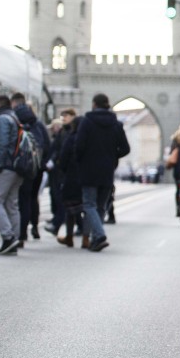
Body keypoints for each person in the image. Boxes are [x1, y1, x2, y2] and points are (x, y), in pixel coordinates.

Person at [74, 93, 131, 252]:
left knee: (89, 204)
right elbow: (125, 148)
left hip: (89, 170)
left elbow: (79, 146)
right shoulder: (116, 124)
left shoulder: (87, 122)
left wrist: (81, 160)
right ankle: (95, 239)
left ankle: (98, 235)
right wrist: (112, 156)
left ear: (94, 104)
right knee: (100, 206)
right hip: (107, 171)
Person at [11, 92, 51, 246]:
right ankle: (34, 227)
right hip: (36, 168)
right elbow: (46, 145)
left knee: (21, 199)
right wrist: (42, 164)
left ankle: (20, 234)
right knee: (32, 198)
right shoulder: (38, 123)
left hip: (21, 166)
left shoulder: (15, 119)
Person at [0, 95, 24, 255]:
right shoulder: (14, 117)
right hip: (16, 167)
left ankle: (8, 238)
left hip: (6, 167)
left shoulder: (2, 119)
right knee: (12, 205)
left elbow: (1, 144)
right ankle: (15, 240)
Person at [54, 115, 88, 248]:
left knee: (70, 210)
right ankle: (86, 237)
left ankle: (69, 237)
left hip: (71, 178)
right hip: (86, 178)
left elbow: (63, 159)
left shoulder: (71, 138)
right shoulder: (88, 140)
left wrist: (62, 171)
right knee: (87, 209)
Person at [44, 109, 76, 235]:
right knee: (67, 201)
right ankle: (70, 230)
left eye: (66, 117)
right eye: (62, 117)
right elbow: (56, 149)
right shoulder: (64, 132)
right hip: (60, 170)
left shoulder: (71, 131)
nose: (64, 119)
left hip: (68, 171)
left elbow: (64, 151)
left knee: (69, 201)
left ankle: (59, 225)